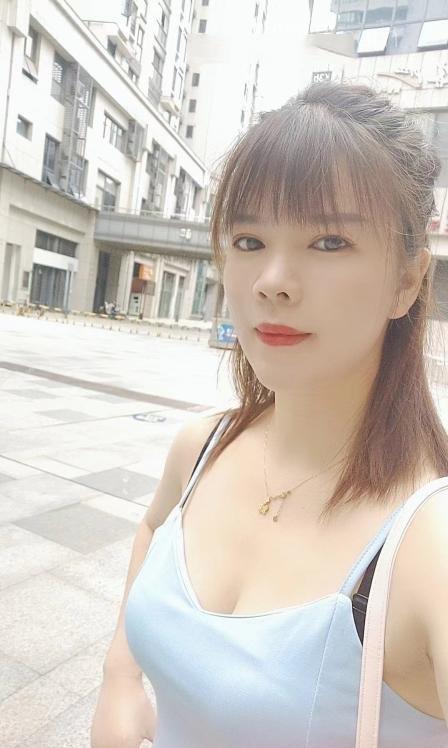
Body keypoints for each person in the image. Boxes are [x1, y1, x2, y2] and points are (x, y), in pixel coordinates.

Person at [90, 81, 448, 748]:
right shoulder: (203, 447)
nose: (272, 280)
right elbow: (152, 526)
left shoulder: (428, 543)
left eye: (329, 242)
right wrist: (119, 678)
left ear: (407, 281)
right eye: (249, 239)